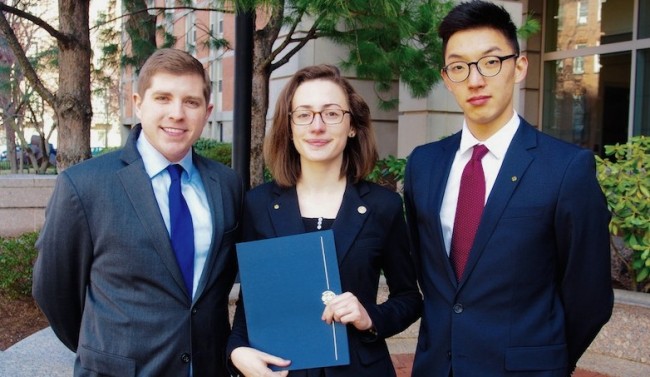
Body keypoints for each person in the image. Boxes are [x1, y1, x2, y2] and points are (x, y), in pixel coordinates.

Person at [403, 1, 613, 376]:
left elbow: (590, 297)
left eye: (490, 61)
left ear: (519, 67)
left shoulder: (566, 168)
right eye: (458, 67)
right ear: (446, 78)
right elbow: (432, 276)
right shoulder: (424, 164)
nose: (475, 79)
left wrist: (546, 362)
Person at [32, 48, 243, 376]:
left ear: (207, 110)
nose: (177, 113)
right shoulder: (84, 185)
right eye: (162, 98)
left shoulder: (227, 184)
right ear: (138, 103)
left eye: (191, 102)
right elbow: (54, 291)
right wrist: (102, 349)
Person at [227, 64, 422, 377]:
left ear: (353, 126)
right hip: (282, 371)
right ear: (289, 128)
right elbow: (251, 304)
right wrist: (235, 352)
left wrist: (369, 317)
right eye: (304, 114)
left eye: (331, 114)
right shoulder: (258, 205)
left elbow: (409, 298)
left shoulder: (383, 206)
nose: (317, 126)